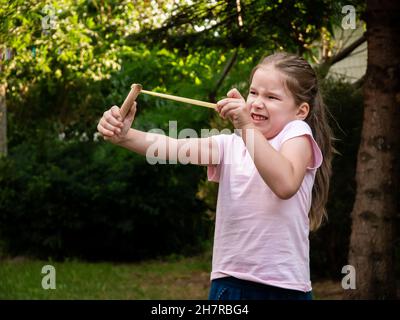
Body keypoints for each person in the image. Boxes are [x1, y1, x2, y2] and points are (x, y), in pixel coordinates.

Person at [97, 52, 333, 300]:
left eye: (272, 97)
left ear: (301, 110)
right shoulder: (232, 144)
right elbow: (173, 147)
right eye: (253, 93)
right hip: (229, 282)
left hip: (283, 288)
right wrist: (125, 136)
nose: (257, 103)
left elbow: (285, 183)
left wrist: (246, 127)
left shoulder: (297, 134)